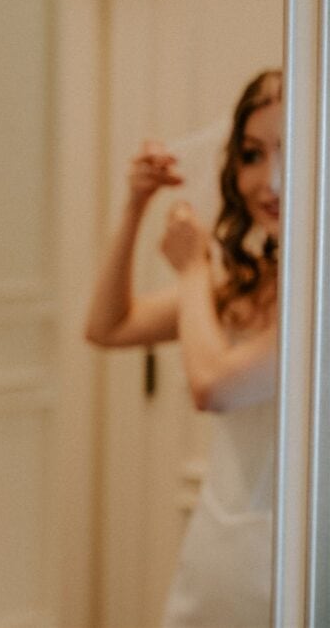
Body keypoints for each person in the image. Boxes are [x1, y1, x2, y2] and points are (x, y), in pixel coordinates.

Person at [85, 70, 282, 627]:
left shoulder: (317, 299)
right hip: (218, 548)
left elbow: (215, 387)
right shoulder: (247, 280)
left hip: (291, 557)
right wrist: (135, 205)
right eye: (252, 155)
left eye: (289, 152)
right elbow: (108, 325)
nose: (269, 182)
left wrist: (195, 268)